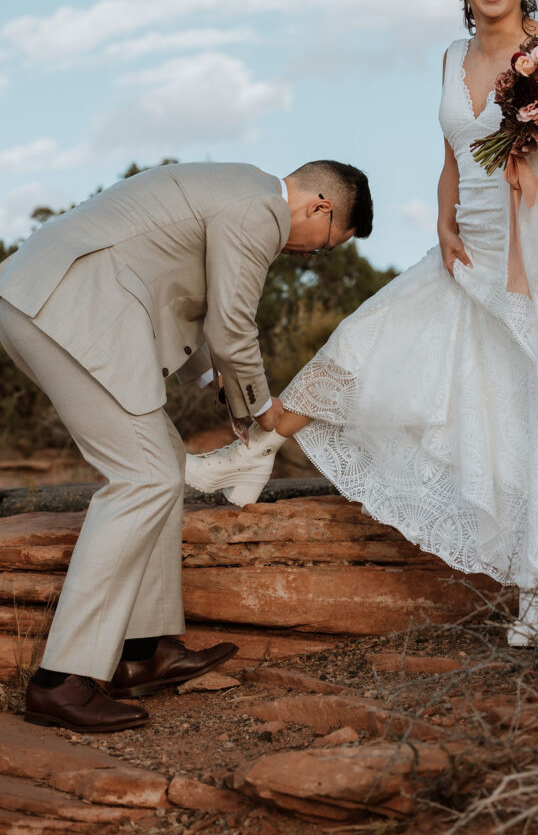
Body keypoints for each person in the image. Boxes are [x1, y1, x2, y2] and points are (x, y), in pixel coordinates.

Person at [185, 0, 538, 646]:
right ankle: (253, 453)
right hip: (464, 249)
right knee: (363, 339)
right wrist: (442, 222)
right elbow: (451, 152)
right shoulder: (450, 54)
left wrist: (528, 265)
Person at [0, 158, 372, 731]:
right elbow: (232, 324)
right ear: (320, 207)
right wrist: (261, 409)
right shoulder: (258, 209)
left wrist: (214, 381)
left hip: (51, 300)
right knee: (145, 478)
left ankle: (141, 650)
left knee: (163, 466)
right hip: (68, 307)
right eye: (325, 245)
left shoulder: (239, 190)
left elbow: (191, 308)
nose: (310, 254)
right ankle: (61, 681)